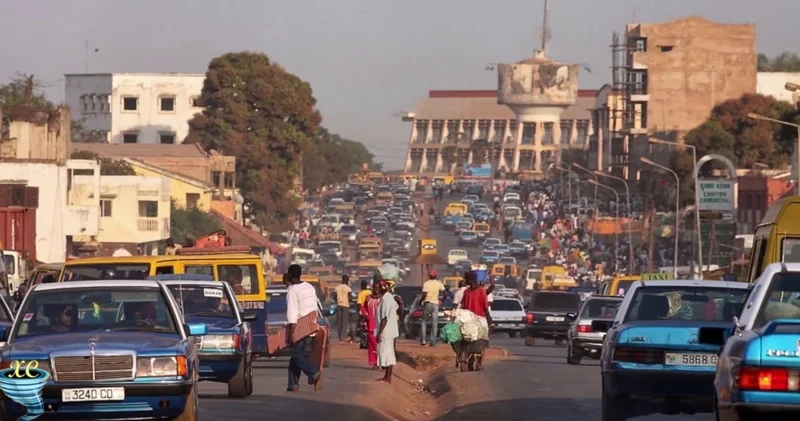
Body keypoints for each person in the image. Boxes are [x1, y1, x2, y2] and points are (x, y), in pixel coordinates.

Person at [285, 264, 322, 392]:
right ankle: (293, 384)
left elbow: (292, 313)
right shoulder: (309, 287)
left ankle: (314, 372)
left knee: (295, 354)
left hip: (300, 325)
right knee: (297, 355)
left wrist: (291, 333)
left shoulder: (292, 290)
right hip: (311, 324)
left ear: (289, 275)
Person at [375, 280, 399, 383]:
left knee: (388, 354)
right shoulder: (390, 298)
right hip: (391, 330)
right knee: (389, 353)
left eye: (378, 287)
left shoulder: (386, 300)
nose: (376, 289)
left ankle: (387, 377)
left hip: (386, 330)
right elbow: (398, 309)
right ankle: (387, 376)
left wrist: (379, 333)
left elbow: (384, 318)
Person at [420, 270, 445, 347]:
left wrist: (421, 300)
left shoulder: (426, 283)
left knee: (424, 321)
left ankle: (423, 340)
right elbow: (445, 293)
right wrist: (441, 300)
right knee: (434, 323)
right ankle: (433, 341)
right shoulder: (439, 283)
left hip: (427, 303)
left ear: (429, 276)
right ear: (436, 276)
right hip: (435, 304)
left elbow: (424, 294)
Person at [361, 282, 381, 369]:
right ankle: (374, 362)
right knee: (372, 345)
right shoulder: (368, 298)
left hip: (380, 325)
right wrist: (366, 316)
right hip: (370, 325)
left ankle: (381, 362)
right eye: (374, 288)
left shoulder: (383, 299)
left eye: (378, 288)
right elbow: (363, 308)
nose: (376, 289)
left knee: (380, 345)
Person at [334, 275, 353, 342]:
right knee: (344, 322)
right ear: (347, 280)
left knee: (339, 322)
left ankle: (340, 336)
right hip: (345, 305)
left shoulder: (337, 288)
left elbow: (334, 297)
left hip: (339, 305)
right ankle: (343, 336)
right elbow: (350, 298)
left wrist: (338, 301)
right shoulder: (348, 288)